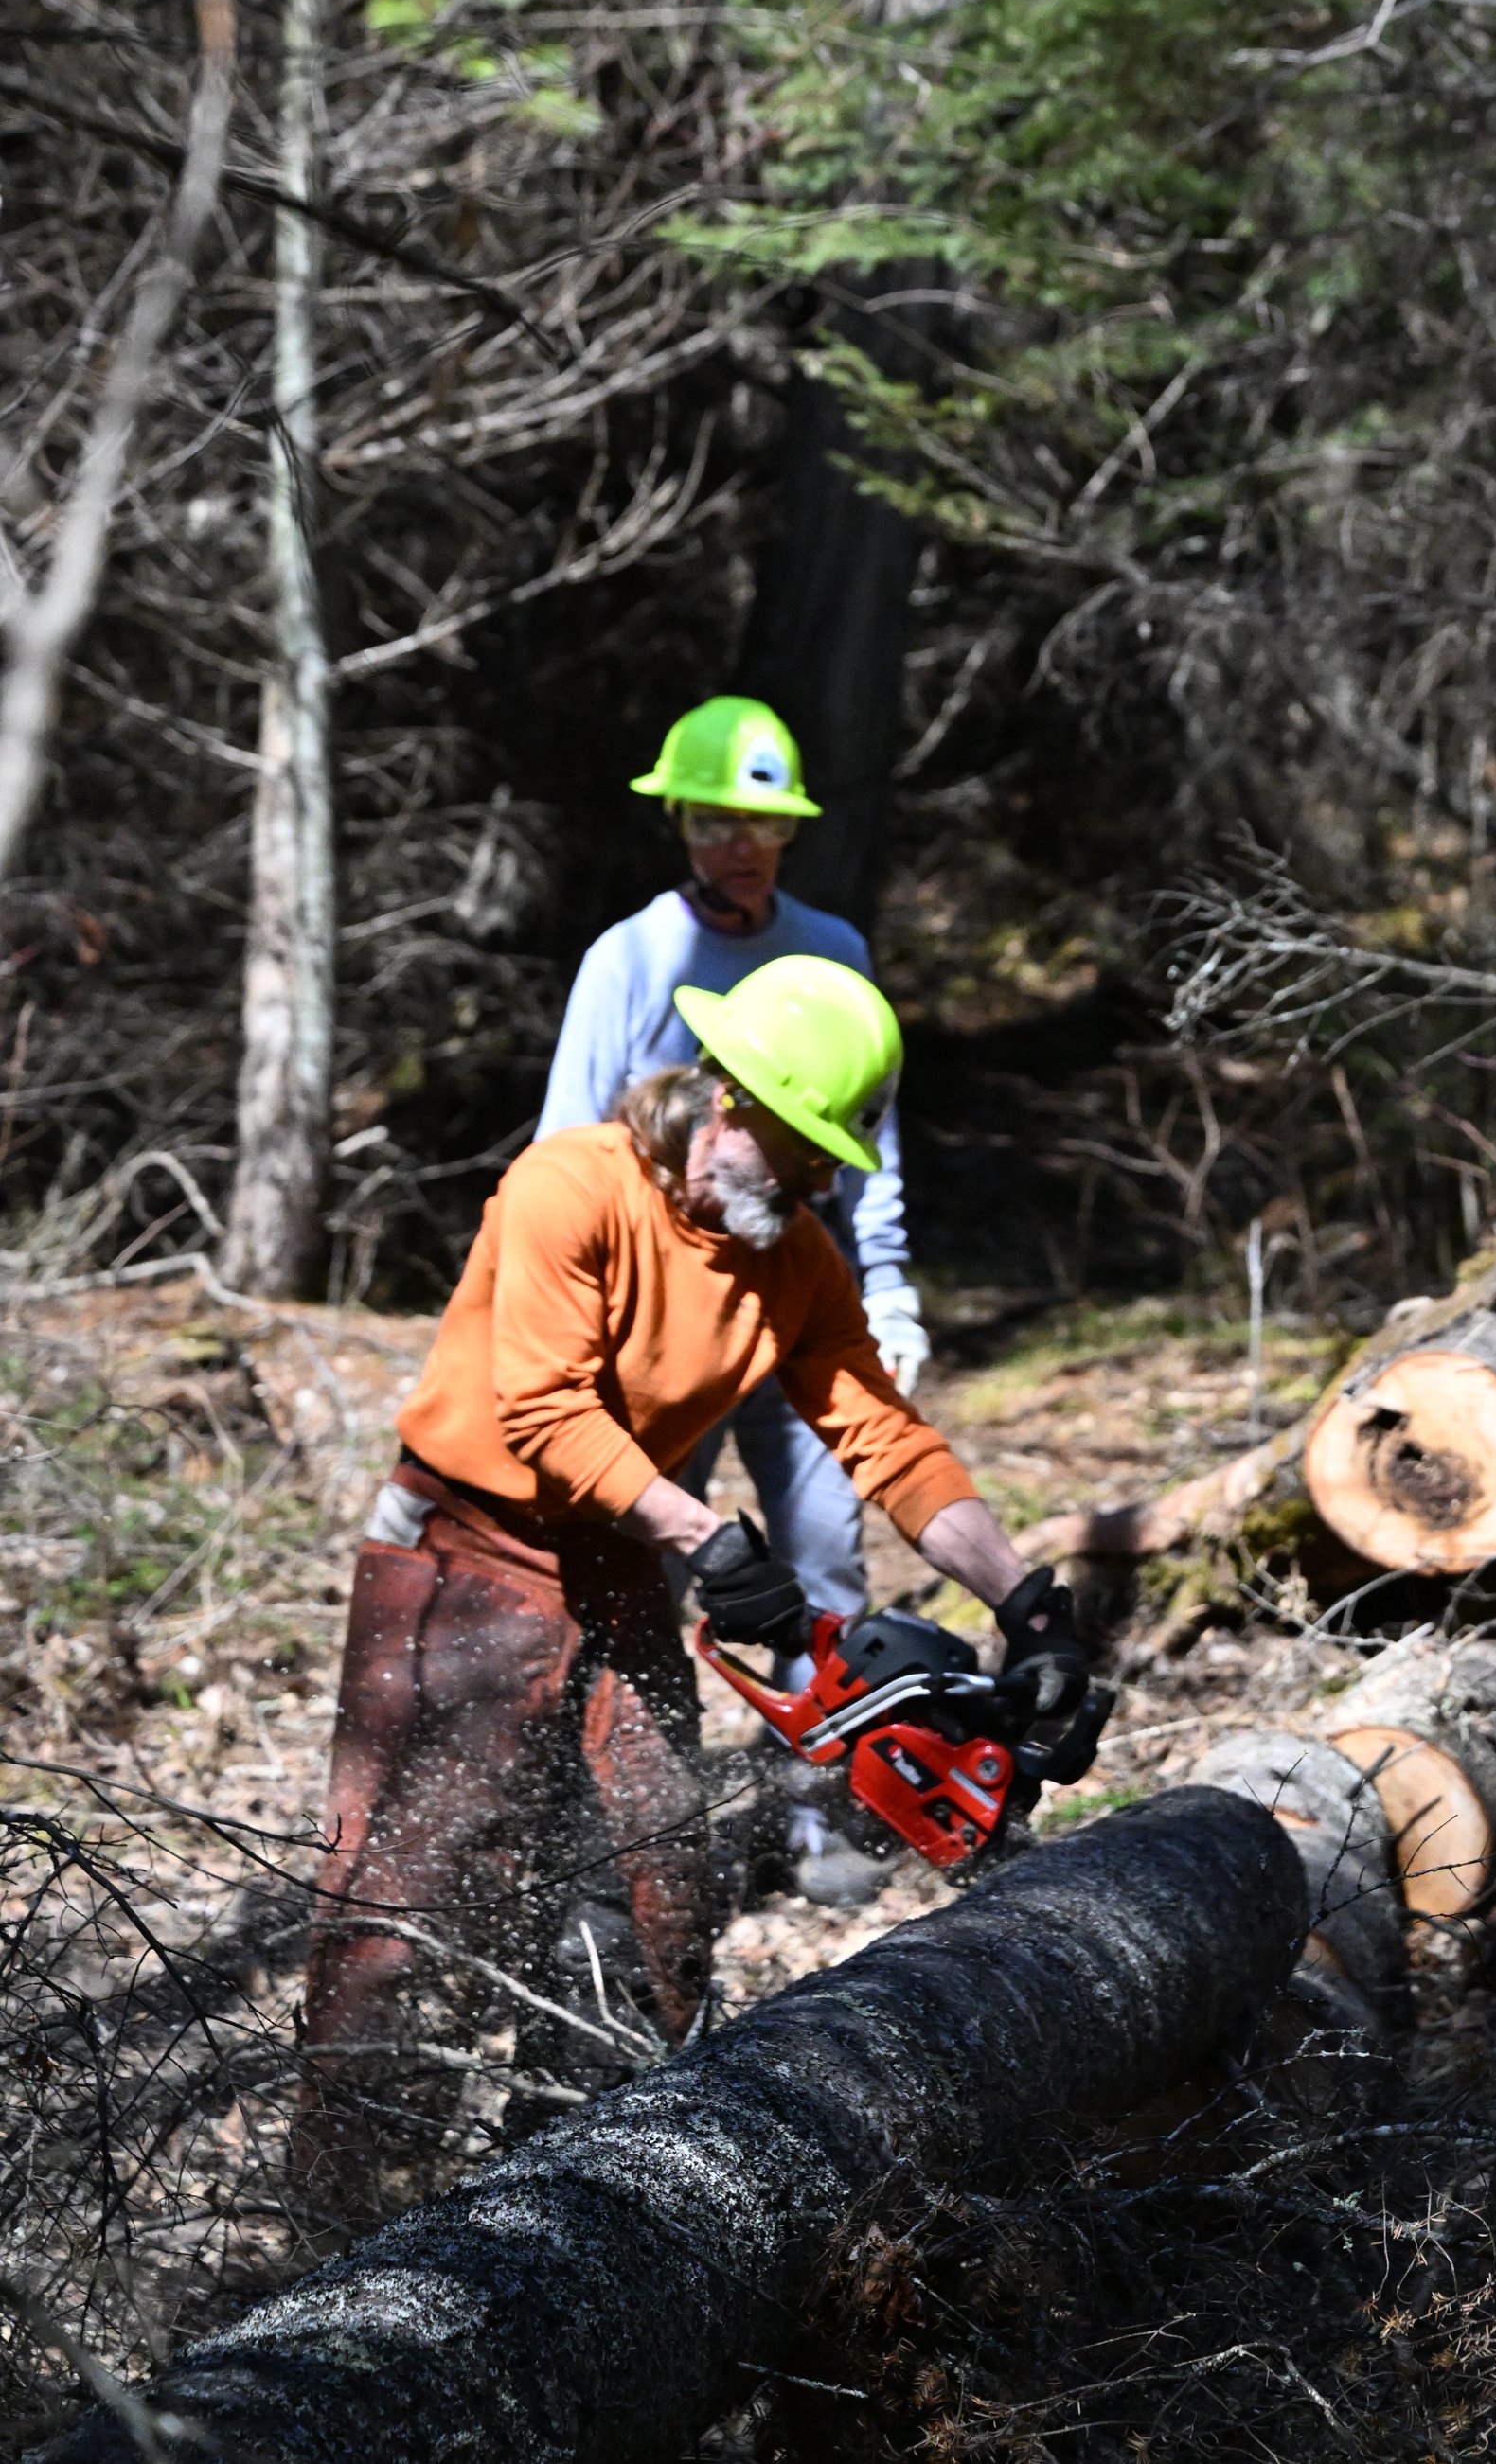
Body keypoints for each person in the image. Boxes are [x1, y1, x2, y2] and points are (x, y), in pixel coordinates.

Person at [294, 954, 1087, 2233]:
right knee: (403, 1897)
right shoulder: (573, 1187)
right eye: (800, 1143)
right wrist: (705, 1534)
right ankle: (329, 2223)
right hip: (467, 1546)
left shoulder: (795, 1254)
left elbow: (885, 1434)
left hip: (618, 1559)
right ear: (727, 1100)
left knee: (653, 1863)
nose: (818, 1176)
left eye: (837, 1151)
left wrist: (1025, 1598)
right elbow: (544, 1404)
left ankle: (566, 2191)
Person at [537, 695, 924, 1647]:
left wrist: (887, 1285)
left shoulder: (835, 951)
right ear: (679, 823)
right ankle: (634, 1782)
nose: (738, 846)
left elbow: (869, 1137)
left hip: (799, 1290)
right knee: (653, 1556)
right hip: (663, 1310)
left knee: (827, 1554)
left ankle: (821, 1793)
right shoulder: (628, 959)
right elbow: (562, 1150)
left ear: (788, 829)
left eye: (760, 823)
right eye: (714, 822)